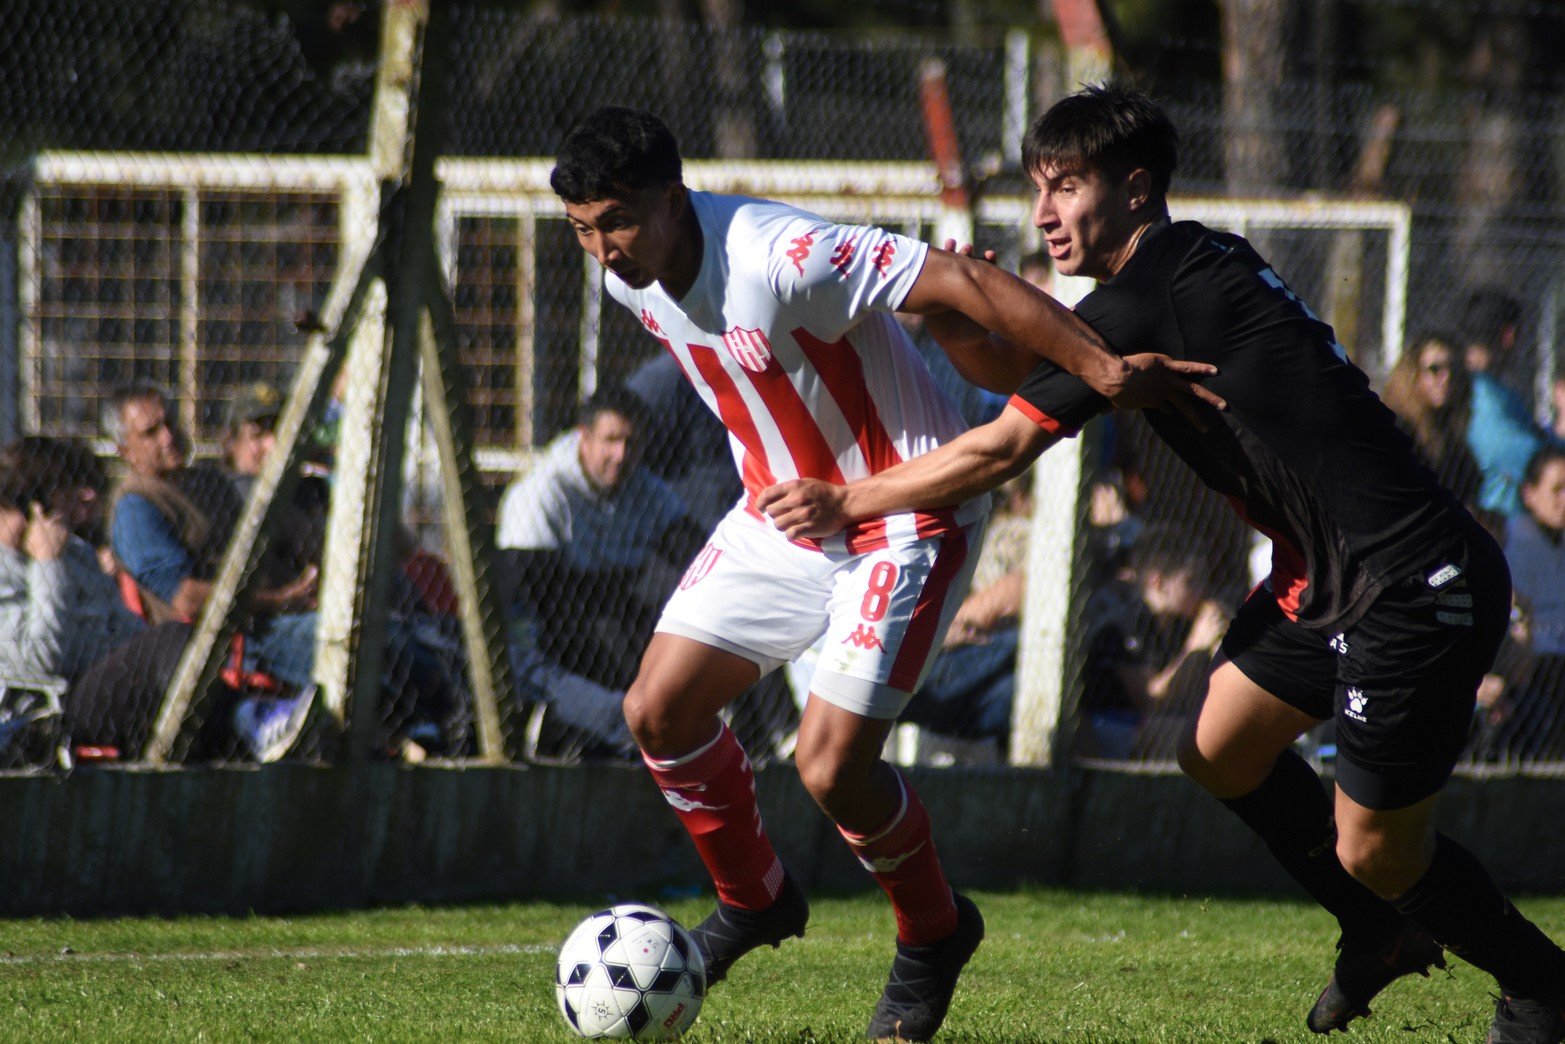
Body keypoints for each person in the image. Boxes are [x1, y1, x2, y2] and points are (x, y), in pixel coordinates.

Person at [757, 85, 1565, 1042]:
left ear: (1135, 189)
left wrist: (846, 500)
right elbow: (1029, 376)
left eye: (1066, 187)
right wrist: (951, 323)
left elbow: (999, 449)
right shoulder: (1174, 274)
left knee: (1375, 848)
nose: (1045, 213)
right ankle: (1375, 931)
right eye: (1036, 190)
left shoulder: (1156, 292)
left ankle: (1538, 983)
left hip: (1409, 580)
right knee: (1218, 745)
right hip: (1327, 581)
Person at [549, 105, 1218, 1042]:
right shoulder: (632, 281)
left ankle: (933, 932)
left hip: (906, 514)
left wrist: (1102, 369)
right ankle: (756, 902)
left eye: (615, 220)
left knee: (829, 764)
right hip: (782, 517)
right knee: (655, 711)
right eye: (582, 228)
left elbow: (962, 281)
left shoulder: (782, 254)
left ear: (672, 197)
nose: (604, 250)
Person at [497, 384, 705, 758]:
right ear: (584, 438)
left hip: (612, 605)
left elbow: (696, 555)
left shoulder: (643, 487)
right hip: (546, 613)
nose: (621, 455)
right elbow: (532, 591)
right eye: (610, 440)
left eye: (631, 442)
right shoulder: (541, 493)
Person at [1078, 526, 1227, 760]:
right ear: (1157, 582)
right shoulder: (1121, 626)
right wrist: (1194, 647)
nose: (1202, 590)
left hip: (1156, 724)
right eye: (1191, 581)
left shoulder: (1181, 624)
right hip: (1109, 724)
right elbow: (1150, 699)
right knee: (1197, 735)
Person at [1497, 446, 1565, 762]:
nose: (1563, 500)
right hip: (1529, 666)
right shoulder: (1511, 542)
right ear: (1529, 494)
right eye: (1556, 490)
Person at [1462, 289, 1546, 522]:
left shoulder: (1496, 390)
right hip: (1496, 532)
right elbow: (1530, 457)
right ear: (1509, 335)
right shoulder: (1481, 394)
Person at [1380, 333, 1484, 514]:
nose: (1447, 378)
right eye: (1435, 369)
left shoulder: (1454, 441)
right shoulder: (1394, 430)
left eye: (1454, 368)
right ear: (1413, 374)